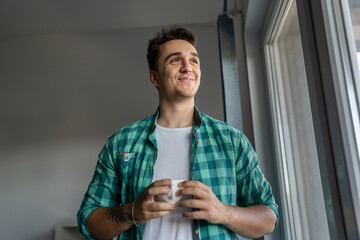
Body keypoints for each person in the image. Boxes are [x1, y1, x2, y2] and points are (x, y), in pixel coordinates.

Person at [77, 26, 278, 240]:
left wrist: (223, 212)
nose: (187, 67)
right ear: (154, 78)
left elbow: (269, 218)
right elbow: (89, 222)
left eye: (194, 60)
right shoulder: (121, 143)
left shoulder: (232, 141)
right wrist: (133, 211)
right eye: (175, 60)